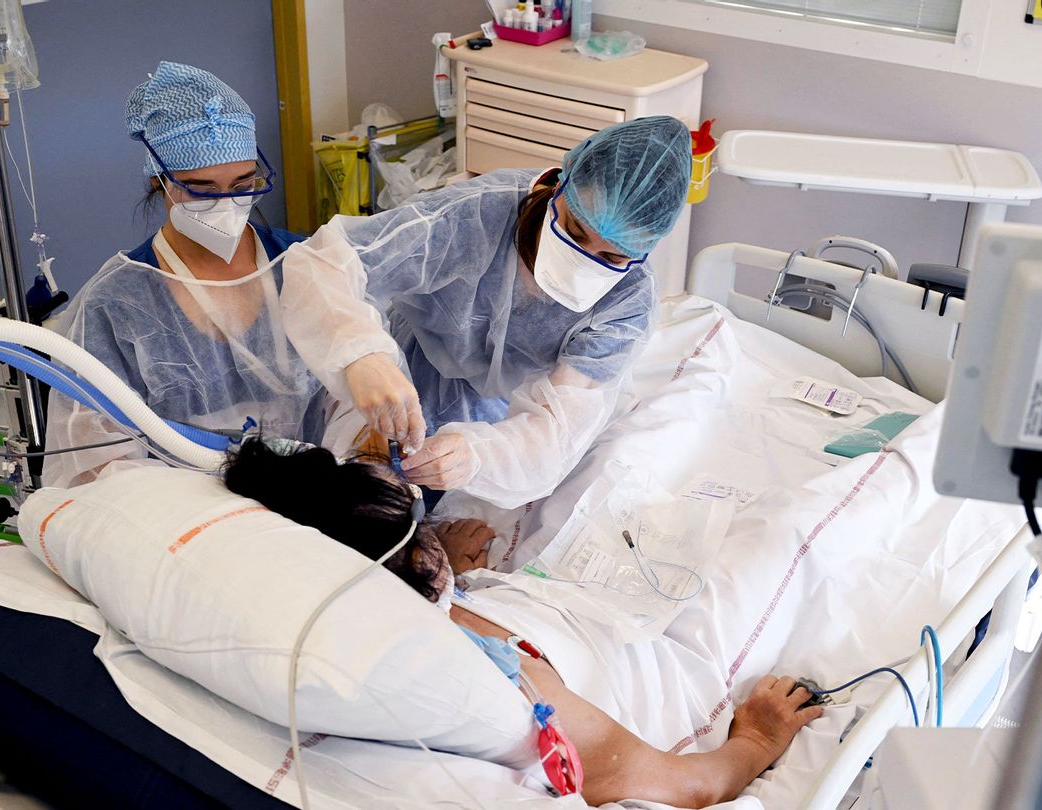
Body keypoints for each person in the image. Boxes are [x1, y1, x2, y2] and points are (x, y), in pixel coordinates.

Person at [223, 437, 821, 809]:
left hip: (519, 601)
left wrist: (443, 572)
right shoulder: (513, 690)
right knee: (784, 528)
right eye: (420, 528)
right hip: (636, 640)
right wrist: (757, 739)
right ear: (403, 566)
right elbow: (690, 788)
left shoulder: (356, 605)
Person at [281, 116, 693, 508]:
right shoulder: (479, 213)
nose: (582, 259)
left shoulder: (628, 302)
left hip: (514, 415)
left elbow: (555, 431)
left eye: (611, 256)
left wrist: (480, 457)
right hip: (405, 368)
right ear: (561, 183)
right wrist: (361, 355)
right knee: (350, 489)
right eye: (574, 230)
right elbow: (328, 263)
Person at [45, 61, 338, 488]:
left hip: (311, 502)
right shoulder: (117, 302)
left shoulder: (302, 263)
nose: (227, 205)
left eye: (242, 185)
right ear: (159, 182)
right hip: (184, 521)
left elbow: (351, 402)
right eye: (202, 189)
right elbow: (94, 462)